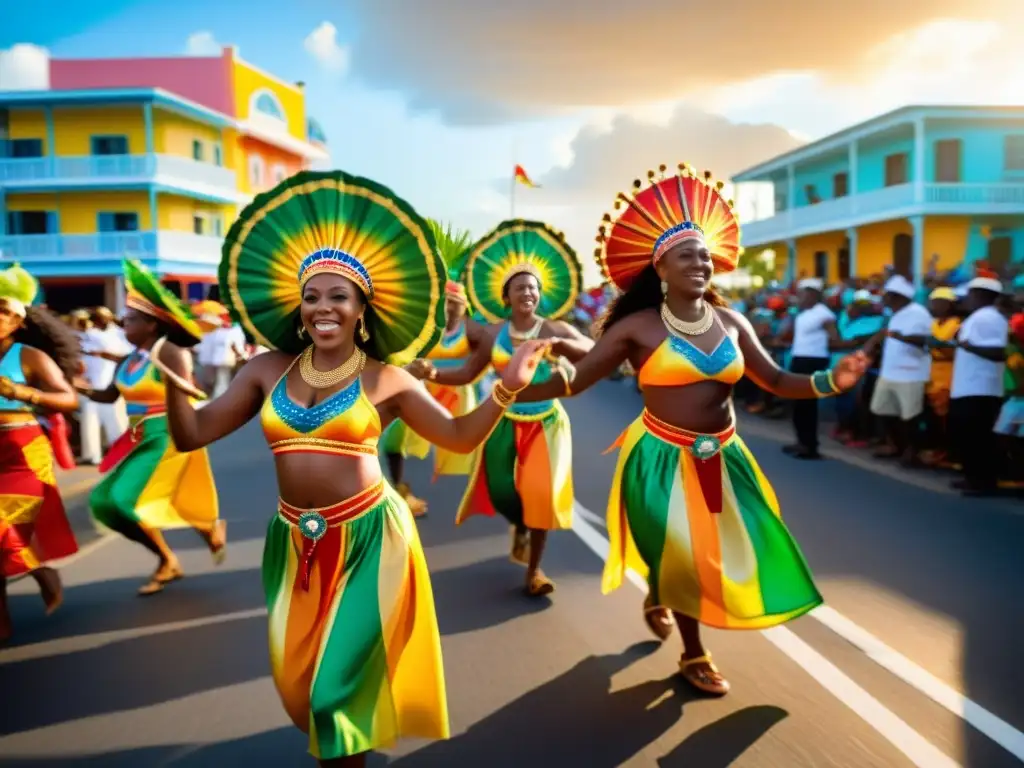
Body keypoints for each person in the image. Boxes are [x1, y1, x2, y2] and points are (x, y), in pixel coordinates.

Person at [155, 169, 549, 767]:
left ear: (364, 307)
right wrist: (177, 380)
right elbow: (193, 435)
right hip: (293, 543)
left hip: (371, 542)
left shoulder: (386, 378)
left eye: (338, 296)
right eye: (312, 296)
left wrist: (507, 388)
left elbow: (459, 438)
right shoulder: (266, 369)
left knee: (335, 690)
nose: (322, 307)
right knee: (305, 687)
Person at [513, 163, 867, 694]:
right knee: (685, 555)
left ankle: (660, 590)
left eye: (705, 254)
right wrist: (511, 389)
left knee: (715, 556)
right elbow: (574, 382)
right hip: (658, 459)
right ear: (661, 268)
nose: (700, 262)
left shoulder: (732, 322)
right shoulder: (636, 327)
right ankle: (694, 652)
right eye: (687, 255)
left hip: (723, 457)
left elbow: (773, 379)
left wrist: (830, 381)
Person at [409, 218, 588, 597]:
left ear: (540, 295)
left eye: (533, 287)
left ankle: (535, 570)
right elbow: (468, 373)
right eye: (520, 287)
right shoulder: (493, 334)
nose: (527, 292)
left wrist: (565, 348)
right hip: (502, 420)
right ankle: (519, 525)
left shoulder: (554, 328)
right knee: (506, 492)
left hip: (547, 423)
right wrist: (431, 373)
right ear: (507, 297)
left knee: (540, 494)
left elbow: (596, 352)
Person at [78, 260, 227, 596]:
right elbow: (106, 395)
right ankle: (195, 536)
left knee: (122, 501)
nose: (122, 325)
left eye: (129, 320)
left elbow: (191, 395)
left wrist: (189, 394)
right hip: (136, 438)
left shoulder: (171, 353)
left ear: (150, 324)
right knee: (103, 503)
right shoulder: (132, 358)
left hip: (168, 436)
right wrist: (76, 386)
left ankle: (171, 555)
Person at [0, 263, 80, 642]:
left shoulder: (28, 357)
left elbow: (68, 398)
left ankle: (39, 570)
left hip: (23, 457)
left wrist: (22, 394)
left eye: (3, 309)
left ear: (18, 320)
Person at [381, 220, 487, 504]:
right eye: (445, 303)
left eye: (456, 304)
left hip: (457, 390)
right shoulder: (422, 328)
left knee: (475, 442)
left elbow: (490, 356)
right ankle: (400, 489)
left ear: (466, 306)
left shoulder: (473, 330)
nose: (450, 309)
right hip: (419, 387)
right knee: (393, 441)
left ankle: (486, 490)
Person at [948, 276, 1009, 496]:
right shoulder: (979, 317)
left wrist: (968, 346)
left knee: (978, 437)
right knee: (967, 436)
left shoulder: (989, 318)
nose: (966, 299)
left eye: (970, 294)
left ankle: (983, 482)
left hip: (982, 389)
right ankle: (972, 477)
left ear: (981, 295)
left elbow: (999, 352)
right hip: (969, 387)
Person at [865, 275, 933, 466]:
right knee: (881, 409)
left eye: (887, 296)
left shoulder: (918, 313)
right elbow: (886, 334)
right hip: (889, 372)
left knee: (910, 416)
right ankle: (896, 445)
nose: (884, 300)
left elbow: (923, 340)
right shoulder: (895, 314)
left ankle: (913, 451)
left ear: (897, 297)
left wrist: (897, 336)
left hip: (911, 373)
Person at [782, 278, 839, 459]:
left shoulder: (824, 314)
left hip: (813, 361)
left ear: (814, 294)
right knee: (797, 403)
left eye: (804, 294)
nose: (800, 297)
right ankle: (800, 441)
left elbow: (834, 337)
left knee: (808, 404)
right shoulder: (803, 313)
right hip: (799, 358)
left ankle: (810, 446)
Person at [78, 306, 131, 465]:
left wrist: (104, 354)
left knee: (116, 422)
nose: (101, 321)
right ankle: (92, 456)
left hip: (111, 386)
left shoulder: (120, 335)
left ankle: (121, 454)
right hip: (91, 384)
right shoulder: (89, 335)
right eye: (97, 318)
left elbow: (126, 355)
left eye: (104, 317)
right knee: (89, 423)